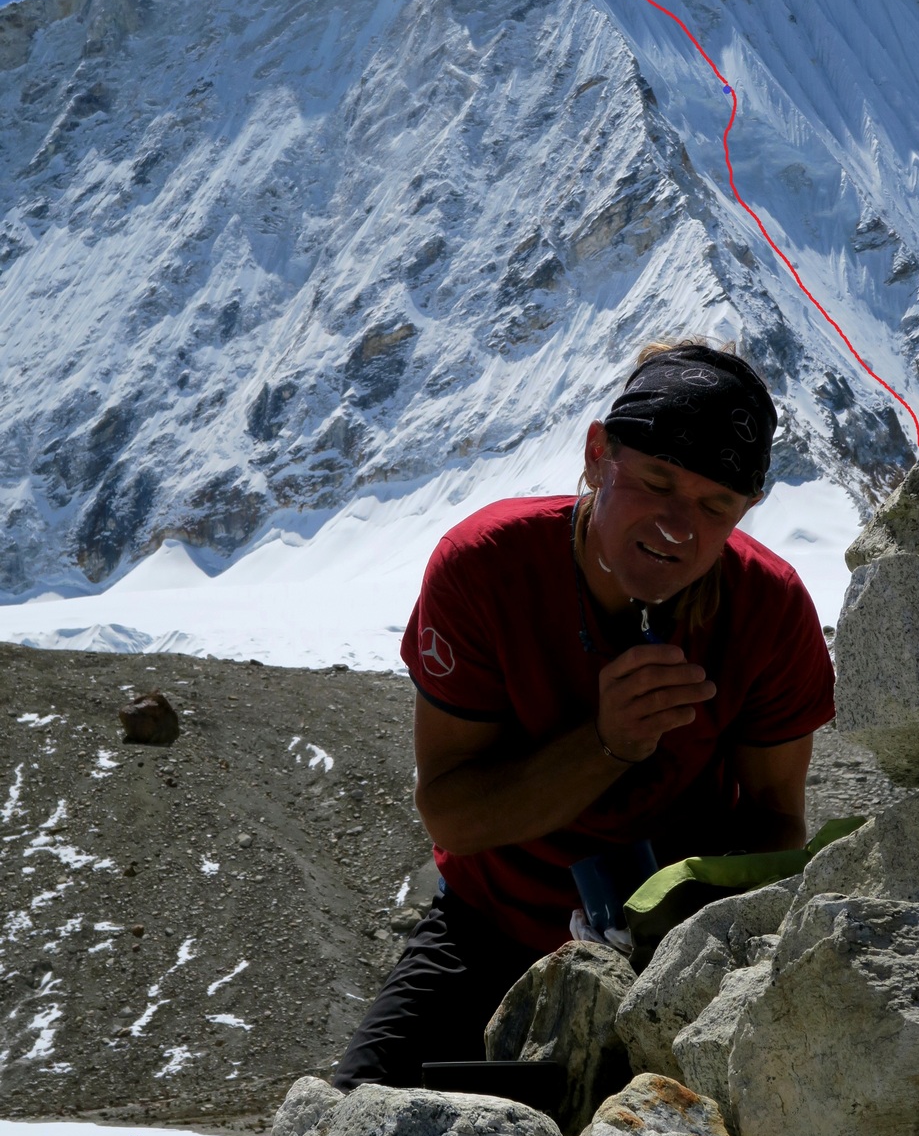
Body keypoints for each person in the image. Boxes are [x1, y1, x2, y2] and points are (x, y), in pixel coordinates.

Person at [333, 338, 835, 1090]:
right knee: (353, 1118)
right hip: (489, 929)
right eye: (656, 482)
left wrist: (687, 937)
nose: (677, 527)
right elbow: (452, 816)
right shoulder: (487, 568)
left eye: (713, 506)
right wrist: (607, 744)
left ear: (748, 510)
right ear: (599, 455)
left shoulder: (770, 609)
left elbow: (772, 819)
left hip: (674, 956)